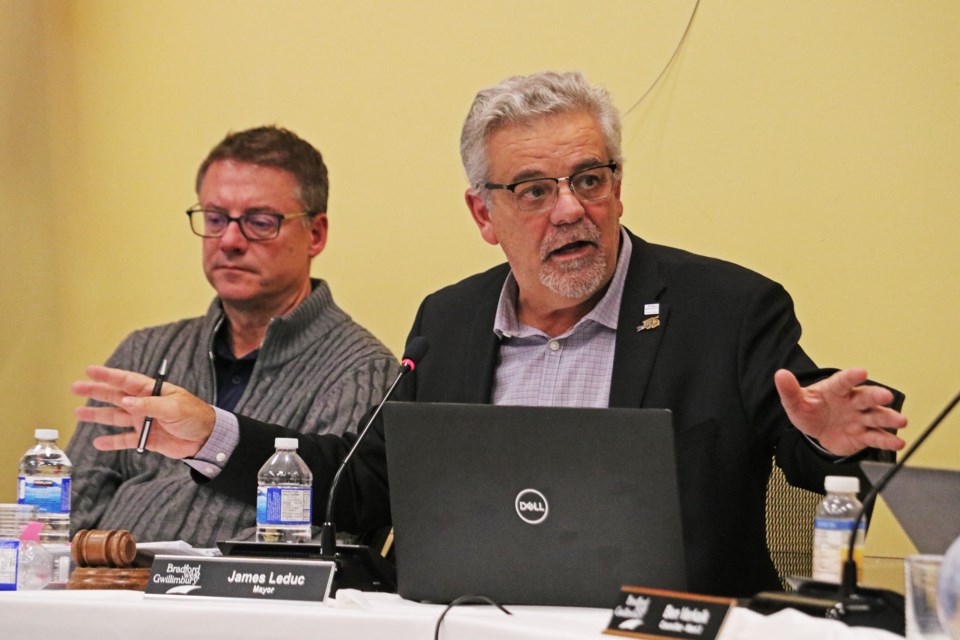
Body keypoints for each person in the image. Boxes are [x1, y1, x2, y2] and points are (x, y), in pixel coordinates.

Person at [73, 73, 907, 597]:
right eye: (535, 190)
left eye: (589, 179)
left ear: (617, 186)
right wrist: (210, 432)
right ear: (485, 213)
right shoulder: (450, 321)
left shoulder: (727, 307)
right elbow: (355, 496)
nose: (571, 208)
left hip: (656, 631)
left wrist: (835, 439)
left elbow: (818, 450)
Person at [66, 125, 398, 547]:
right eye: (216, 218)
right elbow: (67, 511)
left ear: (315, 234)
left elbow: (319, 541)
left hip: (239, 608)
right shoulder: (144, 352)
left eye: (260, 222)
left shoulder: (360, 372)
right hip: (106, 597)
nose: (229, 241)